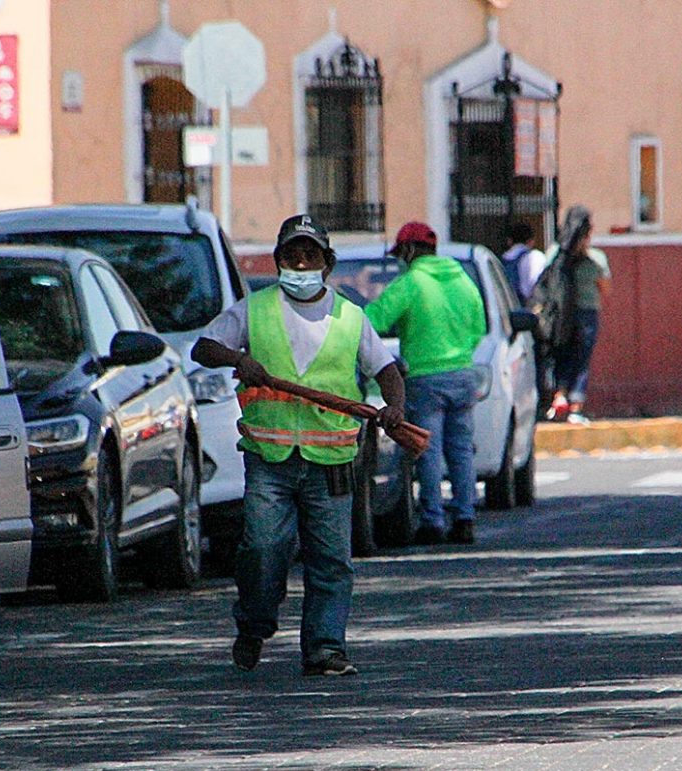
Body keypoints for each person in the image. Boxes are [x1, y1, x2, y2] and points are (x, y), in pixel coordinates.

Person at [191, 213, 405, 677]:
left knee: (331, 561)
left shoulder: (351, 317)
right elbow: (203, 348)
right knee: (263, 548)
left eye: (311, 255)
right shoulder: (254, 310)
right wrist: (237, 358)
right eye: (293, 255)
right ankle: (254, 622)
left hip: (332, 461)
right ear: (279, 261)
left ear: (327, 263)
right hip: (270, 457)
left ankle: (325, 648)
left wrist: (395, 408)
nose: (302, 263)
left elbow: (387, 370)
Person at [364, 222, 486, 545]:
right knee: (461, 449)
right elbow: (478, 327)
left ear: (409, 250)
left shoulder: (411, 283)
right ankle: (465, 518)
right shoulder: (462, 280)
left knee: (426, 449)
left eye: (400, 254)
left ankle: (432, 520)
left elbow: (372, 321)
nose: (399, 260)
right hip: (463, 373)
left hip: (424, 377)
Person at [541, 205, 611, 425]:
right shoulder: (596, 259)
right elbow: (605, 288)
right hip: (587, 314)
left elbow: (544, 280)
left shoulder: (555, 254)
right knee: (581, 360)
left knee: (561, 354)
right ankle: (576, 408)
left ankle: (559, 396)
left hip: (561, 315)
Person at [499, 221, 546, 306]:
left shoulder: (499, 261)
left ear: (509, 241)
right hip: (527, 309)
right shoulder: (535, 257)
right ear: (531, 241)